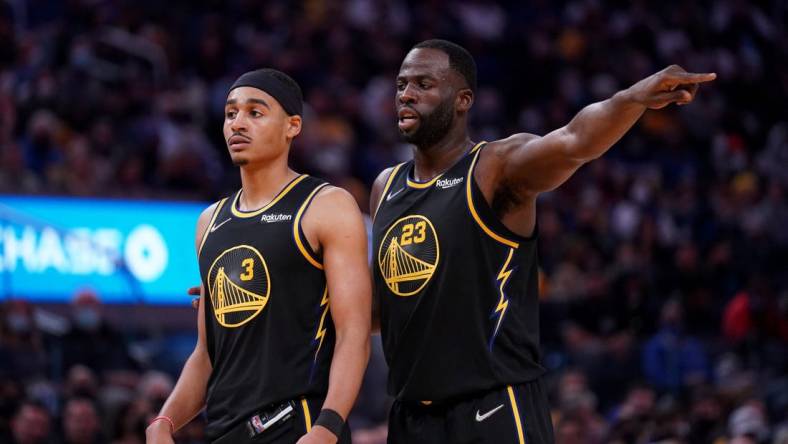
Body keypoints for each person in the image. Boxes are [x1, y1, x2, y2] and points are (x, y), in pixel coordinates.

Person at [370, 39, 715, 444]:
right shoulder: (385, 187)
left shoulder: (495, 166)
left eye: (424, 84)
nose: (406, 95)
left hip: (492, 406)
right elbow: (383, 310)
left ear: (463, 100)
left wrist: (631, 99)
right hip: (411, 417)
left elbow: (574, 140)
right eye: (401, 85)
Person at [146, 69, 371, 444]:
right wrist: (165, 421)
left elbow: (354, 332)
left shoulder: (325, 205)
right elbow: (206, 354)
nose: (238, 123)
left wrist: (328, 426)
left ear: (292, 126)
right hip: (224, 431)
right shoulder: (209, 221)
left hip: (297, 424)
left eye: (255, 112)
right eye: (231, 113)